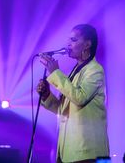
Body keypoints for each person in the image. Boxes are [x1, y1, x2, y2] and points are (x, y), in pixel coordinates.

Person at [37, 24, 109, 163]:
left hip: (90, 153)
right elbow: (63, 110)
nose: (68, 44)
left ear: (87, 44)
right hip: (70, 152)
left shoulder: (95, 70)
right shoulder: (75, 71)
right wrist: (47, 95)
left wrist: (56, 73)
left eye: (74, 40)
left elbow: (79, 98)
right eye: (68, 40)